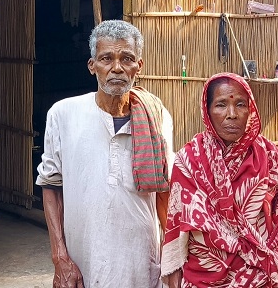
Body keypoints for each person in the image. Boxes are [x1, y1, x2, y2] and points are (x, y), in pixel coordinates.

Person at [36, 19, 174, 288]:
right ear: (92, 66)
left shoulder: (157, 118)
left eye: (127, 59)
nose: (117, 68)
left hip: (142, 263)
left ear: (139, 67)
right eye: (106, 58)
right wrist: (60, 257)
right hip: (84, 262)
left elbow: (165, 191)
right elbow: (50, 186)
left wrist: (170, 259)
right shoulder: (63, 115)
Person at [162, 72, 278, 288]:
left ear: (250, 109)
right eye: (220, 105)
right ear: (207, 111)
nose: (232, 114)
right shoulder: (189, 161)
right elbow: (177, 230)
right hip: (204, 278)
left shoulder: (270, 157)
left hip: (260, 278)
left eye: (240, 104)